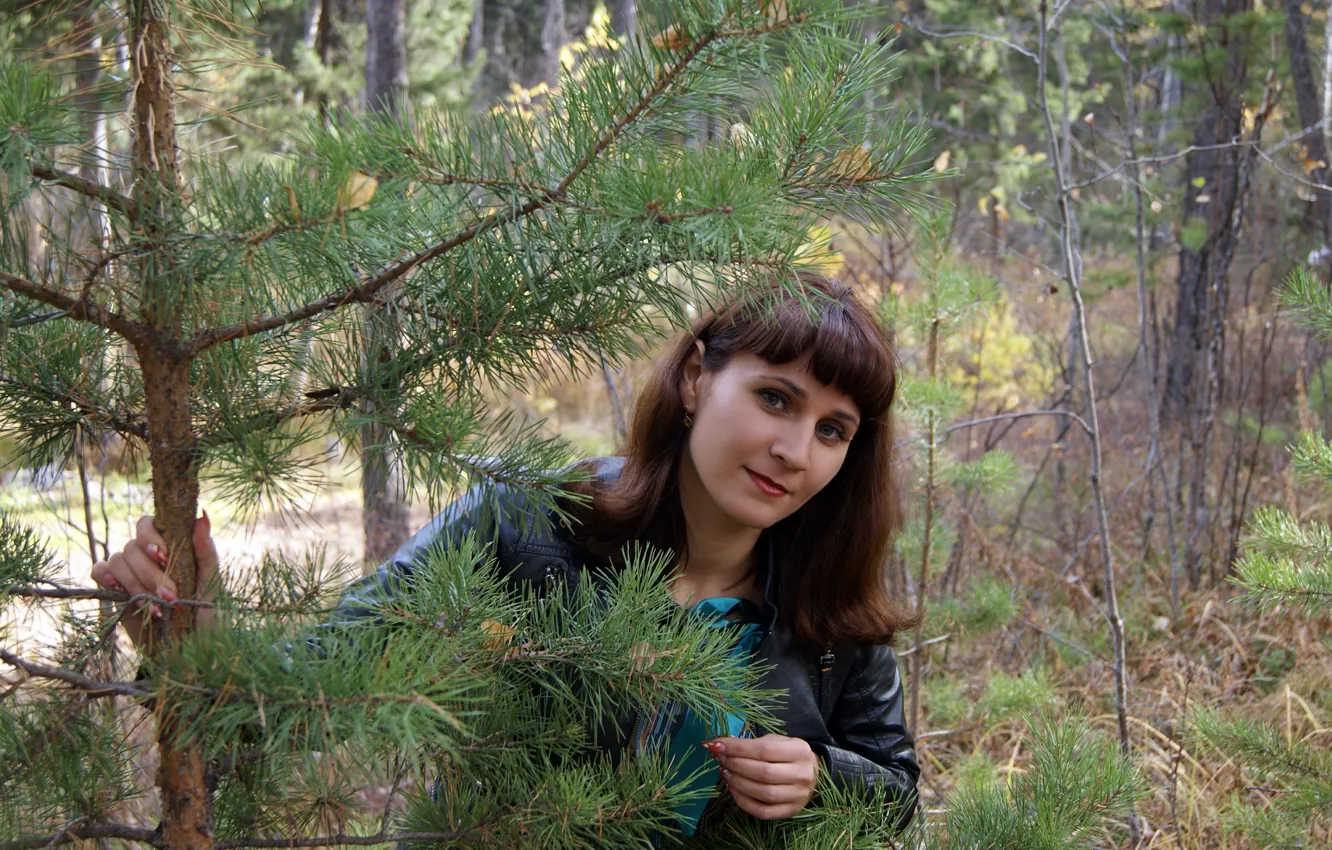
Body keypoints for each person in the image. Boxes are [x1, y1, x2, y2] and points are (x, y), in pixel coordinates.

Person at [91, 271, 921, 838]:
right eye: (775, 398)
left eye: (832, 430)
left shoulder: (832, 603)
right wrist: (195, 652)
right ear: (698, 378)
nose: (794, 450)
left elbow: (897, 793)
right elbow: (311, 693)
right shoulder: (526, 524)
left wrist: (820, 775)